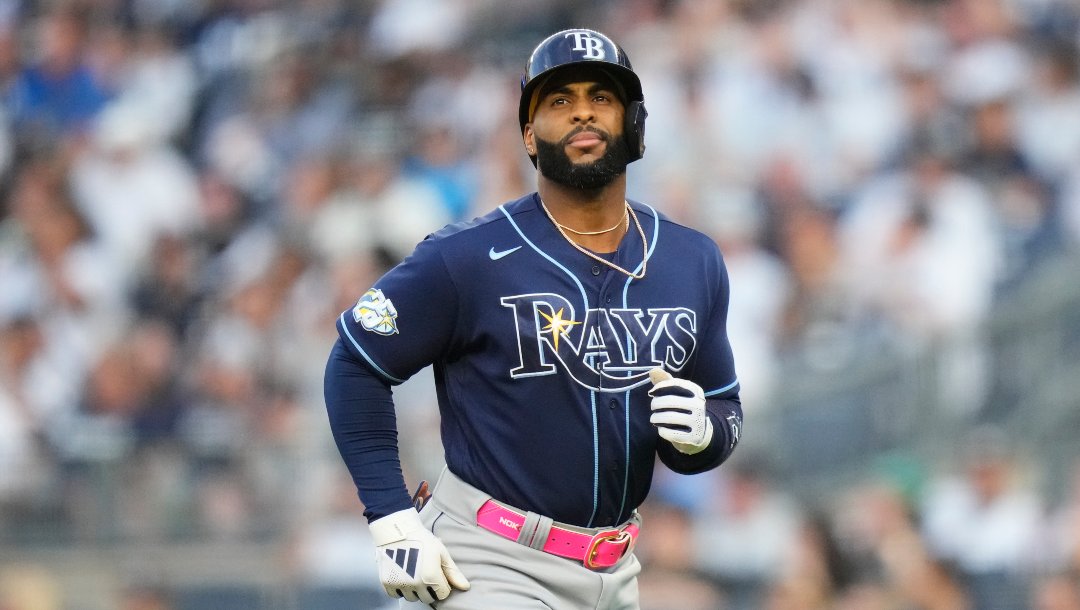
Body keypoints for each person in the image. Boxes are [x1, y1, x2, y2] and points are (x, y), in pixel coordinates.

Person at [323, 28, 744, 609]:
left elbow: (723, 405)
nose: (582, 114)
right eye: (559, 101)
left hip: (617, 570)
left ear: (635, 124)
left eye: (601, 97)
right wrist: (391, 516)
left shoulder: (690, 259)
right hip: (488, 558)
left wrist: (705, 434)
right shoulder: (466, 257)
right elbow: (355, 362)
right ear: (528, 134)